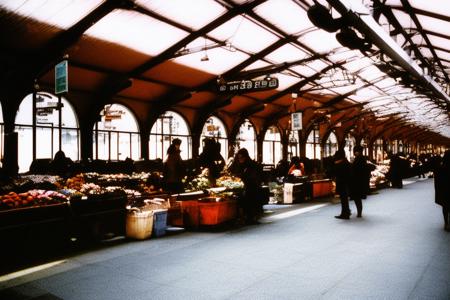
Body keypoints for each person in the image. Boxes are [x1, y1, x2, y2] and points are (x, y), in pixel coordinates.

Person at [234, 148, 263, 225]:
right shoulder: (239, 164)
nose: (240, 159)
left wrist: (242, 177)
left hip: (252, 187)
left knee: (251, 202)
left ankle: (251, 218)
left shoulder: (252, 164)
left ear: (245, 157)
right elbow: (237, 173)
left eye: (242, 158)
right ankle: (246, 217)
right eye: (239, 158)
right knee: (246, 202)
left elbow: (252, 176)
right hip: (244, 186)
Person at [349, 145, 370, 218]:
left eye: (355, 151)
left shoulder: (359, 159)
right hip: (359, 181)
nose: (354, 153)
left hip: (357, 181)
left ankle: (359, 212)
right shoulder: (361, 158)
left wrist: (351, 164)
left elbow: (356, 170)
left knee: (357, 197)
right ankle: (359, 212)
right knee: (357, 197)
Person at [332, 149, 352, 219]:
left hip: (342, 183)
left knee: (343, 199)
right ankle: (347, 212)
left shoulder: (340, 164)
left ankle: (345, 214)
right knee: (344, 199)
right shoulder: (346, 162)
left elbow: (337, 173)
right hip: (346, 183)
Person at [434, 150, 450, 232]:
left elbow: (437, 181)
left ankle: (446, 223)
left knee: (445, 207)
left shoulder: (440, 168)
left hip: (444, 190)